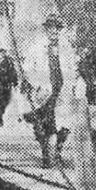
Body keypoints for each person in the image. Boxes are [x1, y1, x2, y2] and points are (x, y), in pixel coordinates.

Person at [21, 13, 70, 168]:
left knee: (65, 124)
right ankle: (47, 156)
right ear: (47, 30)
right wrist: (35, 84)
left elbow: (71, 67)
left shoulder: (65, 47)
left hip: (61, 90)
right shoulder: (36, 47)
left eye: (57, 29)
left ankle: (56, 151)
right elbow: (27, 69)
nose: (54, 32)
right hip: (44, 91)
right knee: (45, 125)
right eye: (51, 29)